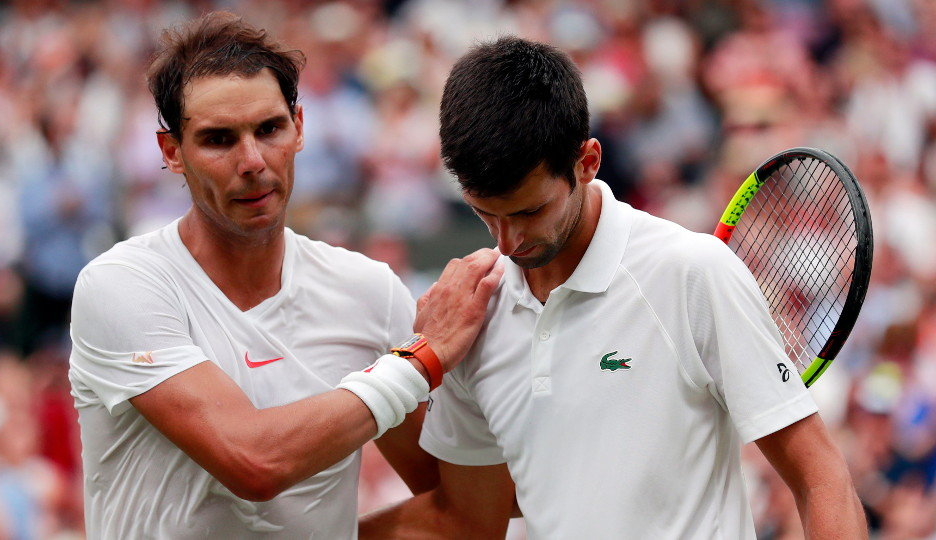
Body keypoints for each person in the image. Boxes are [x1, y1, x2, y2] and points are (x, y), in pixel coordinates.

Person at [360, 37, 867, 538]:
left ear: (587, 161)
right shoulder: (472, 315)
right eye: (484, 213)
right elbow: (469, 519)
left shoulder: (691, 271)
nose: (508, 241)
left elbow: (822, 481)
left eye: (530, 211)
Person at [67, 12, 501, 539]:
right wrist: (423, 359)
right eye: (219, 139)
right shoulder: (120, 285)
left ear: (299, 127)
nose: (252, 160)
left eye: (270, 129)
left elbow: (459, 513)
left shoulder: (366, 291)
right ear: (171, 153)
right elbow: (254, 462)